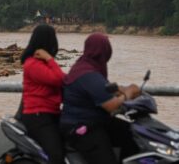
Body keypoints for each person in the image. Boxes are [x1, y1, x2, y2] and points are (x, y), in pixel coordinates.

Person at [60, 33, 140, 164]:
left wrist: (122, 89)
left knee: (131, 135)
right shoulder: (88, 73)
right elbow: (111, 105)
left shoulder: (86, 66)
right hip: (82, 127)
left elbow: (104, 89)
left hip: (94, 121)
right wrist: (129, 92)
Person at [19, 24, 66, 164]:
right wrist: (50, 59)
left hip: (50, 114)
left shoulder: (43, 64)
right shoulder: (33, 64)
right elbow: (59, 79)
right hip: (38, 117)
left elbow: (65, 79)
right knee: (56, 155)